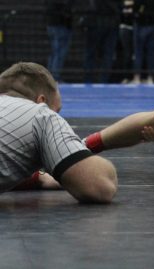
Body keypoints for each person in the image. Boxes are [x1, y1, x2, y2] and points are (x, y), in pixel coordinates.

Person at [0, 62, 117, 202]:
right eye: (57, 111)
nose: (57, 117)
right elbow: (100, 186)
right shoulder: (41, 114)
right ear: (41, 101)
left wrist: (37, 178)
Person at [45, 0, 73, 82]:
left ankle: (49, 76)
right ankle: (55, 77)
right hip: (61, 26)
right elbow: (66, 11)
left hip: (51, 25)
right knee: (60, 52)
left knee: (54, 51)